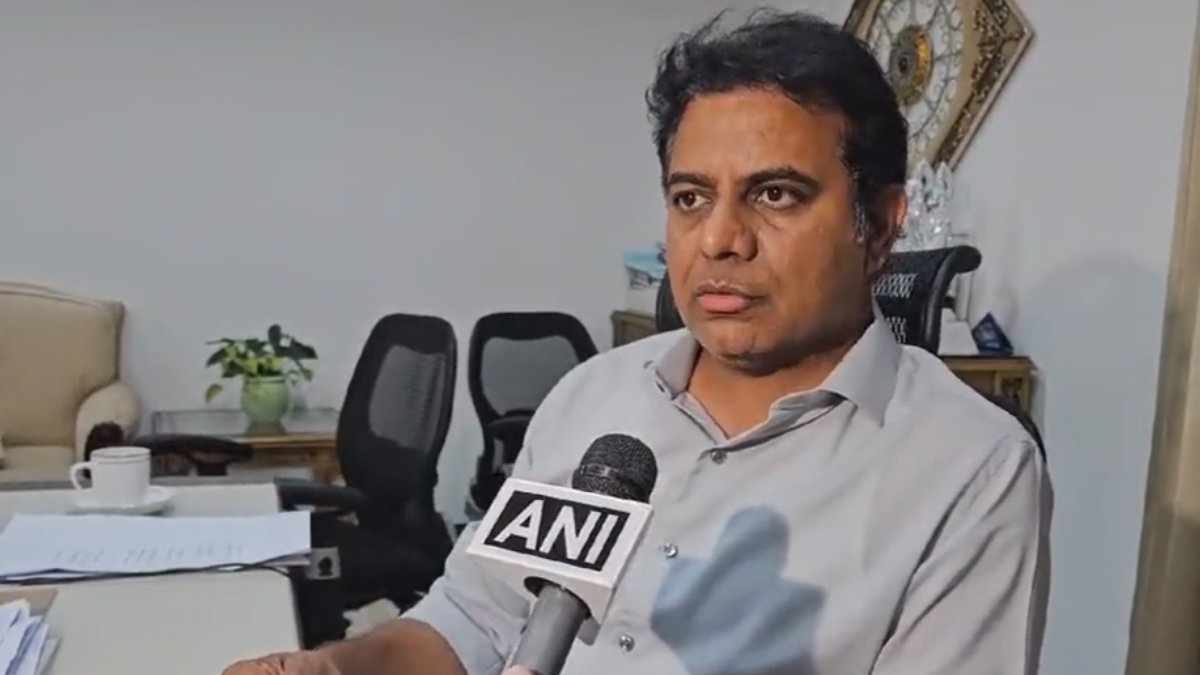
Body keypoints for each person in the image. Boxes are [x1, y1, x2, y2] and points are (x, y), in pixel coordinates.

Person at [224, 9, 1051, 675]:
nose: (719, 239)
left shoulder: (968, 468)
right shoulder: (594, 398)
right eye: (691, 198)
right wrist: (337, 665)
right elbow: (476, 614)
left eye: (774, 194)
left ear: (880, 226)